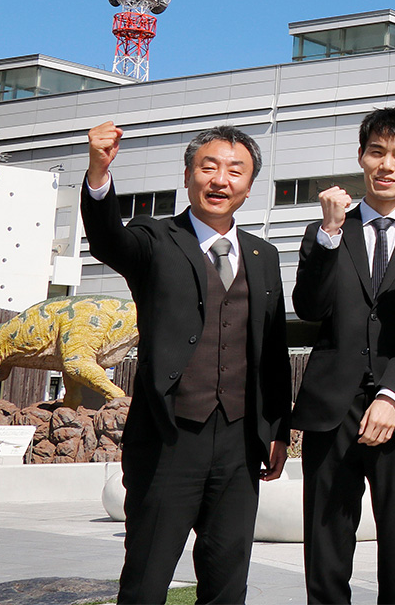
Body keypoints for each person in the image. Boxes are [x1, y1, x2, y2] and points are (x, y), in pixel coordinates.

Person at [80, 121, 291, 605]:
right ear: (187, 175)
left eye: (235, 171)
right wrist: (99, 173)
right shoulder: (154, 239)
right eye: (209, 167)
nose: (221, 180)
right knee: (146, 582)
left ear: (250, 185)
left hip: (240, 444)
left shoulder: (263, 254)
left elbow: (272, 348)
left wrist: (278, 427)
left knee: (226, 582)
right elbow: (108, 240)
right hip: (168, 437)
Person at [291, 107, 395, 604]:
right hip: (331, 409)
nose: (386, 164)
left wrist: (392, 394)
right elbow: (309, 306)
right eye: (376, 152)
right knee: (325, 545)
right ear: (361, 158)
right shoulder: (329, 230)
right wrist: (329, 234)